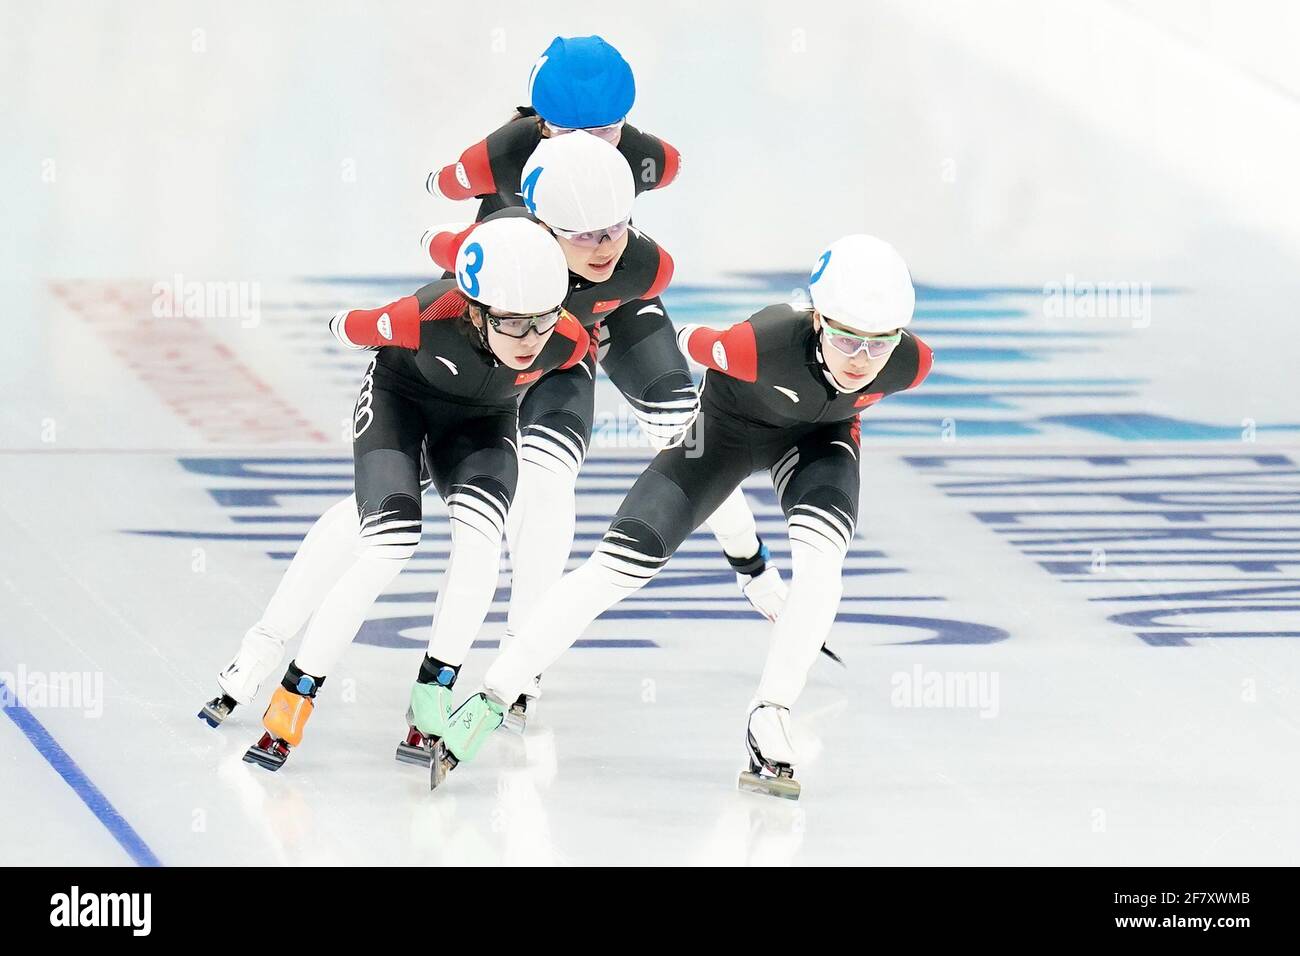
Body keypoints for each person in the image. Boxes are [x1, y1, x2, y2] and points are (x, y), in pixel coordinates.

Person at [431, 235, 934, 799]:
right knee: (614, 567)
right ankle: (495, 692)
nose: (861, 361)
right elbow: (694, 339)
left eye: (879, 344)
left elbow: (867, 369)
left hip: (823, 443)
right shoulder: (755, 345)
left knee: (822, 565)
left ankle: (771, 713)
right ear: (818, 320)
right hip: (719, 441)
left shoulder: (911, 363)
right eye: (846, 338)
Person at [199, 217, 589, 771]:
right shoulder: (419, 317)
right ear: (475, 311)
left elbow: (568, 359)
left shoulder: (567, 339)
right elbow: (343, 325)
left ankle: (432, 696)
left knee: (482, 541)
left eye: (543, 320)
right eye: (514, 323)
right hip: (399, 406)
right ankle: (287, 692)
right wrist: (349, 327)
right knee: (388, 541)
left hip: (481, 424)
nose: (531, 339)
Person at [427, 35, 680, 220]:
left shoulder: (651, 160)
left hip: (602, 263)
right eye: (568, 132)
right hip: (507, 259)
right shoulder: (499, 158)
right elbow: (449, 185)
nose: (585, 146)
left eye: (603, 131)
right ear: (543, 125)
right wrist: (439, 184)